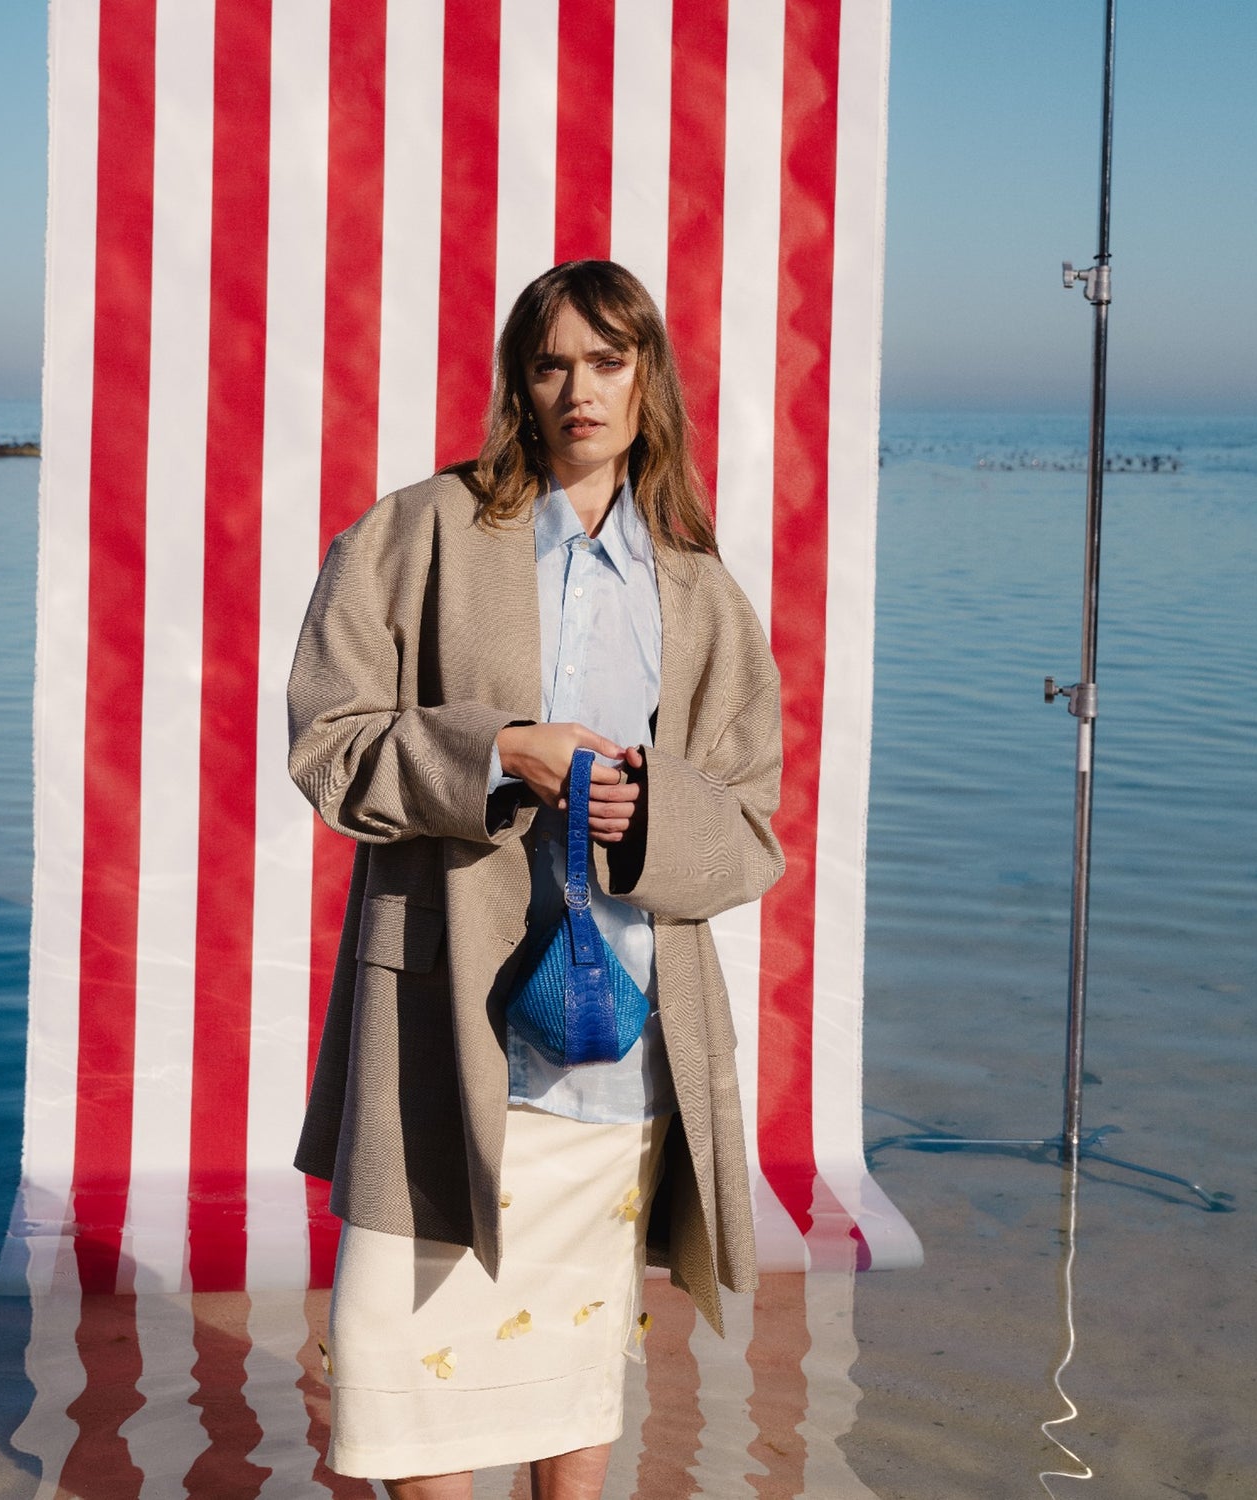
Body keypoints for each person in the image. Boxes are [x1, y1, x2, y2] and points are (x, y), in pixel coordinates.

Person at [287, 260, 785, 1498]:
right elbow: (327, 746)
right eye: (553, 361)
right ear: (519, 379)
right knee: (401, 1385)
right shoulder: (413, 534)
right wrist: (499, 751)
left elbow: (751, 832)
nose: (580, 389)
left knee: (572, 1377)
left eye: (608, 361)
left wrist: (643, 817)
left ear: (646, 382)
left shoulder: (702, 596)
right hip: (440, 1026)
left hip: (617, 1047)